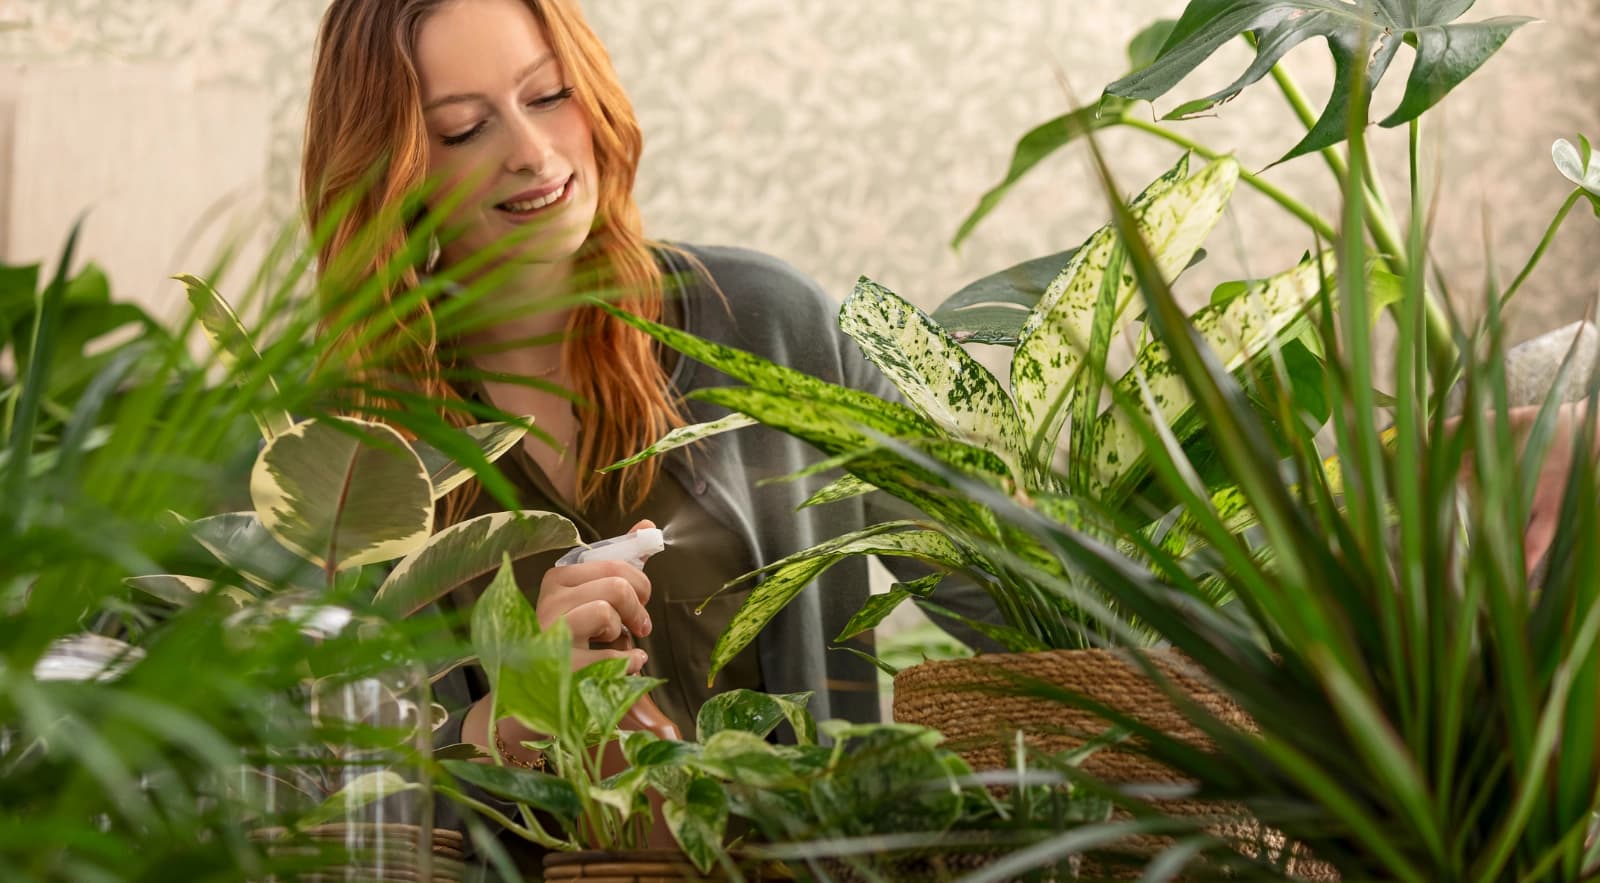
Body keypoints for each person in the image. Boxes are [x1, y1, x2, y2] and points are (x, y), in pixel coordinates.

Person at [300, 0, 1002, 863]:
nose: (532, 151)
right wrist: (509, 717)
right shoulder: (355, 447)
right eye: (464, 128)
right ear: (395, 170)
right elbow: (321, 796)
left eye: (549, 94)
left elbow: (1009, 594)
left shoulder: (766, 327)